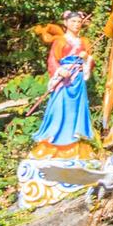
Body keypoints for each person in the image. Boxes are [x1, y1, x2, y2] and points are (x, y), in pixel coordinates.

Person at [32, 11, 95, 156]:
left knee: (76, 109)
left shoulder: (84, 42)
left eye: (79, 22)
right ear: (66, 23)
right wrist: (60, 71)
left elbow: (91, 63)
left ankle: (75, 137)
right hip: (64, 78)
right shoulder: (60, 41)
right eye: (73, 22)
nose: (76, 25)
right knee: (59, 106)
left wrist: (87, 58)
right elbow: (52, 60)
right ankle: (54, 137)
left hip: (78, 78)